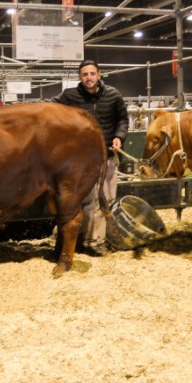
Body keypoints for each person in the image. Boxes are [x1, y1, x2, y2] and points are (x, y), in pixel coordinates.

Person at [54, 60, 129, 256]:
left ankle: (96, 241)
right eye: (85, 74)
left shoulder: (113, 95)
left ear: (99, 75)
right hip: (81, 160)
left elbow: (122, 119)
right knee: (88, 200)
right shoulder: (69, 96)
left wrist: (119, 137)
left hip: (108, 156)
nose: (89, 78)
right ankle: (87, 241)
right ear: (80, 77)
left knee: (108, 199)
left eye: (92, 74)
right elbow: (50, 109)